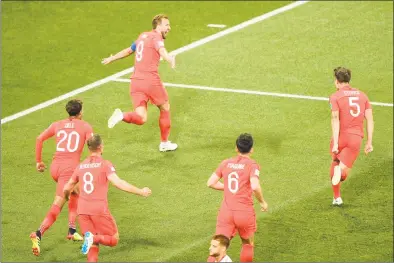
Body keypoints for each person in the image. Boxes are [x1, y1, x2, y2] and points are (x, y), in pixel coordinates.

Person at [63, 134, 152, 262]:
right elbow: (118, 183)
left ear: (89, 148)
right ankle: (92, 238)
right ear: (100, 147)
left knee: (93, 247)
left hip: (82, 210)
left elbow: (67, 187)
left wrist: (67, 197)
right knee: (113, 239)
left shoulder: (80, 166)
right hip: (98, 209)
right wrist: (140, 191)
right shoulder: (104, 164)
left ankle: (91, 239)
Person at [102, 14, 178, 152]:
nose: (169, 28)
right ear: (158, 25)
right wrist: (170, 59)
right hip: (150, 81)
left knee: (141, 118)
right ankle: (164, 143)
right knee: (165, 107)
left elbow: (129, 50)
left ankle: (122, 115)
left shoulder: (143, 36)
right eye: (167, 25)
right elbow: (161, 50)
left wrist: (112, 58)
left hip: (135, 82)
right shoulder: (156, 37)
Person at [30, 99, 94, 256]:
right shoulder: (85, 126)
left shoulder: (57, 124)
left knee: (76, 192)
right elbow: (93, 146)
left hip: (55, 167)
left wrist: (39, 161)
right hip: (69, 170)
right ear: (80, 113)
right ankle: (38, 234)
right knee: (59, 203)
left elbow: (39, 139)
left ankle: (72, 230)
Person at [206, 133, 268, 262]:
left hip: (226, 212)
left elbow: (210, 183)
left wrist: (228, 187)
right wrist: (262, 202)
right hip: (244, 213)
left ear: (236, 148)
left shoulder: (226, 163)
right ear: (251, 149)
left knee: (217, 246)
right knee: (247, 244)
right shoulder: (252, 165)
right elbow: (255, 186)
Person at [329, 67, 374, 205]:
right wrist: (369, 142)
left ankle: (337, 197)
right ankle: (340, 172)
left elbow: (335, 119)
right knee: (343, 173)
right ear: (349, 80)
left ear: (337, 81)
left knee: (335, 162)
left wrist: (336, 142)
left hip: (340, 136)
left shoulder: (335, 97)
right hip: (355, 138)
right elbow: (370, 119)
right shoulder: (363, 96)